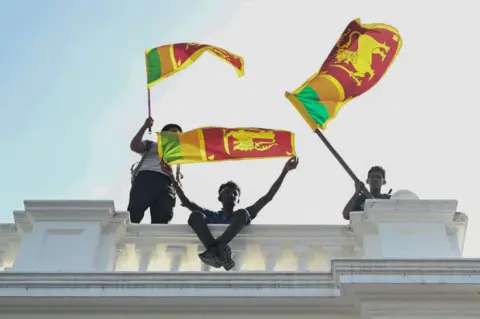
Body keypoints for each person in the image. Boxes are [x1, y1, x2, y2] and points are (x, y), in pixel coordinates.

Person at [162, 157, 299, 270]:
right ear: (219, 198)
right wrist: (171, 177)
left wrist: (284, 171)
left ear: (238, 199)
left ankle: (217, 249)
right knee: (195, 215)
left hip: (237, 250)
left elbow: (267, 198)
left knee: (244, 213)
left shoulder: (240, 216)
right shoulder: (211, 215)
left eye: (235, 193)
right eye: (227, 192)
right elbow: (186, 202)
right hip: (219, 248)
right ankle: (217, 251)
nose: (231, 195)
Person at [128, 117, 183, 224]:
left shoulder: (180, 153)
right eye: (173, 132)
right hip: (147, 177)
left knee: (163, 218)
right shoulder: (152, 145)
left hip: (168, 183)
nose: (176, 136)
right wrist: (145, 126)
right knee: (134, 212)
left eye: (178, 134)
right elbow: (134, 146)